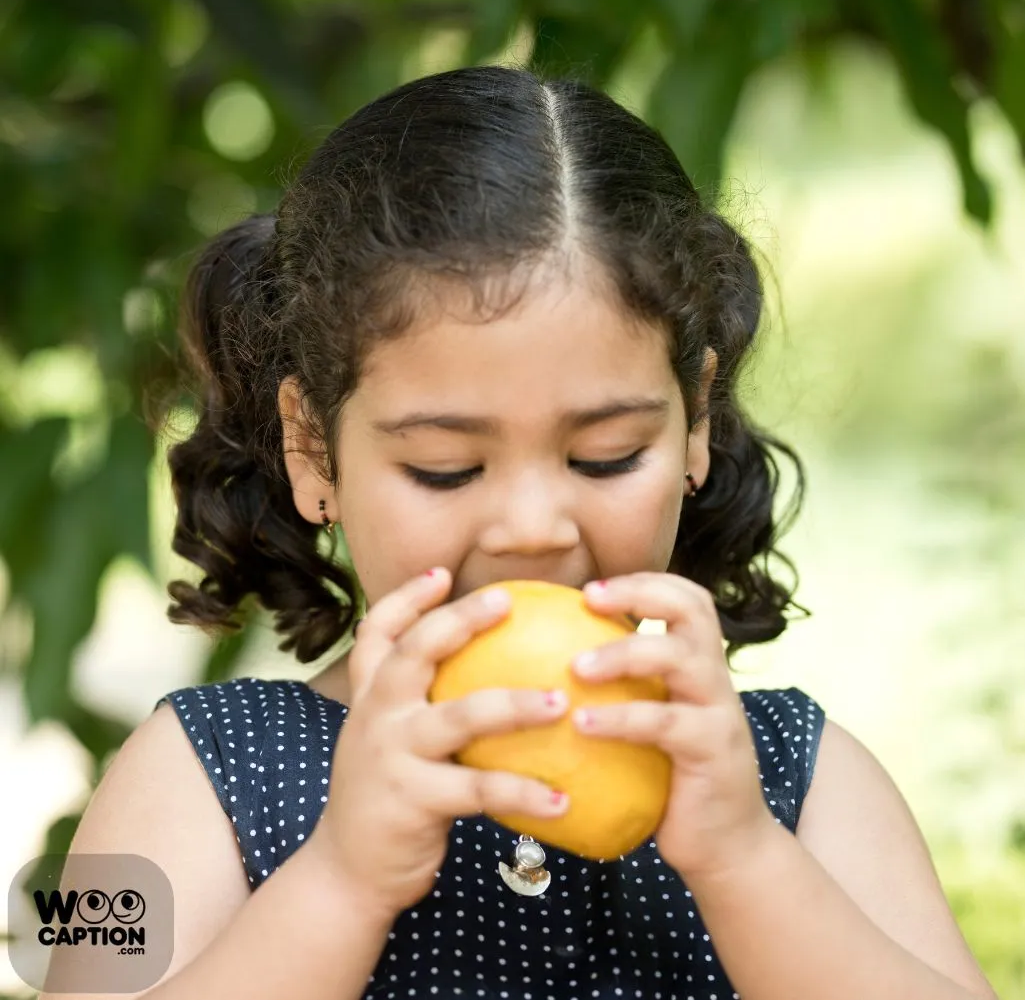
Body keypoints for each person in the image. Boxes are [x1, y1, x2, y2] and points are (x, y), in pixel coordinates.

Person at [51, 65, 995, 1000]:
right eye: (445, 468)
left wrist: (747, 862)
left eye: (607, 456)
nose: (534, 529)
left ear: (694, 423)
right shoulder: (195, 768)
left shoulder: (798, 775)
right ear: (312, 447)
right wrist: (340, 883)